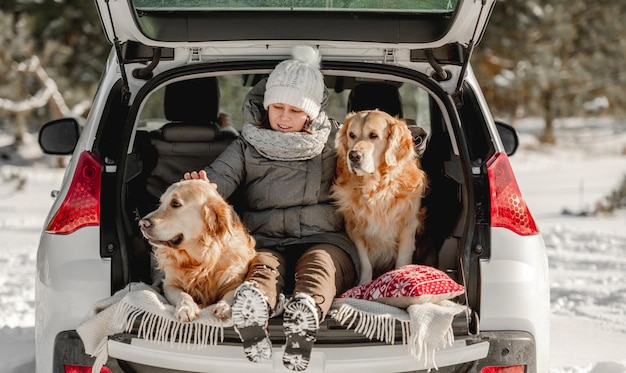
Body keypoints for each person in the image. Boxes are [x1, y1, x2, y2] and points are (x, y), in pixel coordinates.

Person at [184, 45, 358, 371]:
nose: (284, 118)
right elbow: (220, 178)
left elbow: (369, 165)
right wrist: (203, 188)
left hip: (324, 238)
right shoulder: (246, 144)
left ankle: (304, 315)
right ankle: (254, 309)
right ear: (266, 105)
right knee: (263, 267)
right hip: (263, 239)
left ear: (312, 112)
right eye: (277, 107)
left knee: (319, 266)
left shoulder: (335, 140)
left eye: (295, 110)